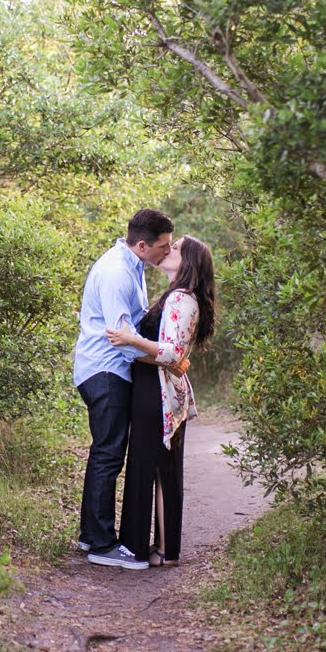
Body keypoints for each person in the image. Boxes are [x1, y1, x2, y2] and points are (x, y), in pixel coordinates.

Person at [73, 209, 180, 571]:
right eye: (162, 246)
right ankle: (102, 544)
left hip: (107, 370)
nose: (166, 252)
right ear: (141, 244)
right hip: (106, 370)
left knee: (105, 452)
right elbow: (122, 339)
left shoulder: (131, 265)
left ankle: (91, 534)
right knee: (109, 454)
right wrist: (166, 358)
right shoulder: (118, 272)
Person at [107, 235, 216, 568]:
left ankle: (151, 550)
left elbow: (172, 353)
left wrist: (130, 340)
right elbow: (172, 353)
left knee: (151, 469)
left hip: (157, 394)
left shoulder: (181, 299)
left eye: (177, 248)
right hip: (155, 389)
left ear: (188, 263)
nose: (168, 250)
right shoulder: (176, 296)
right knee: (159, 470)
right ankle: (163, 549)